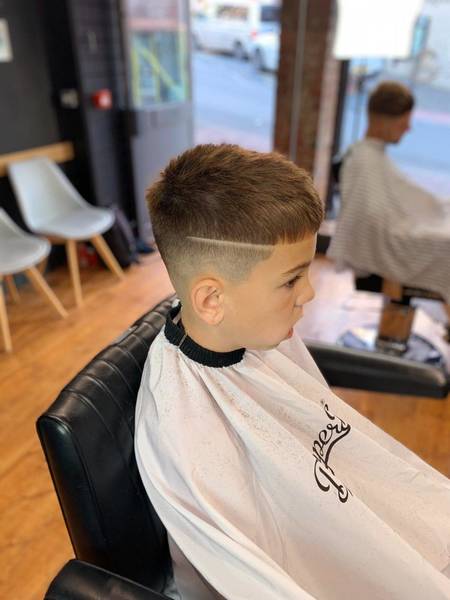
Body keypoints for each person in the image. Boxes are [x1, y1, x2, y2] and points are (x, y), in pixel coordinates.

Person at [135, 143, 450, 599]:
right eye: (291, 280)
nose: (309, 293)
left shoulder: (255, 334)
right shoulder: (185, 429)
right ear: (211, 300)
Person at [327, 80, 450, 327]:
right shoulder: (363, 160)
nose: (408, 128)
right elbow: (373, 223)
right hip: (391, 246)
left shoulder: (367, 154)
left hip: (401, 230)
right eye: (405, 121)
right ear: (387, 121)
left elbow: (403, 200)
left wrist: (437, 209)